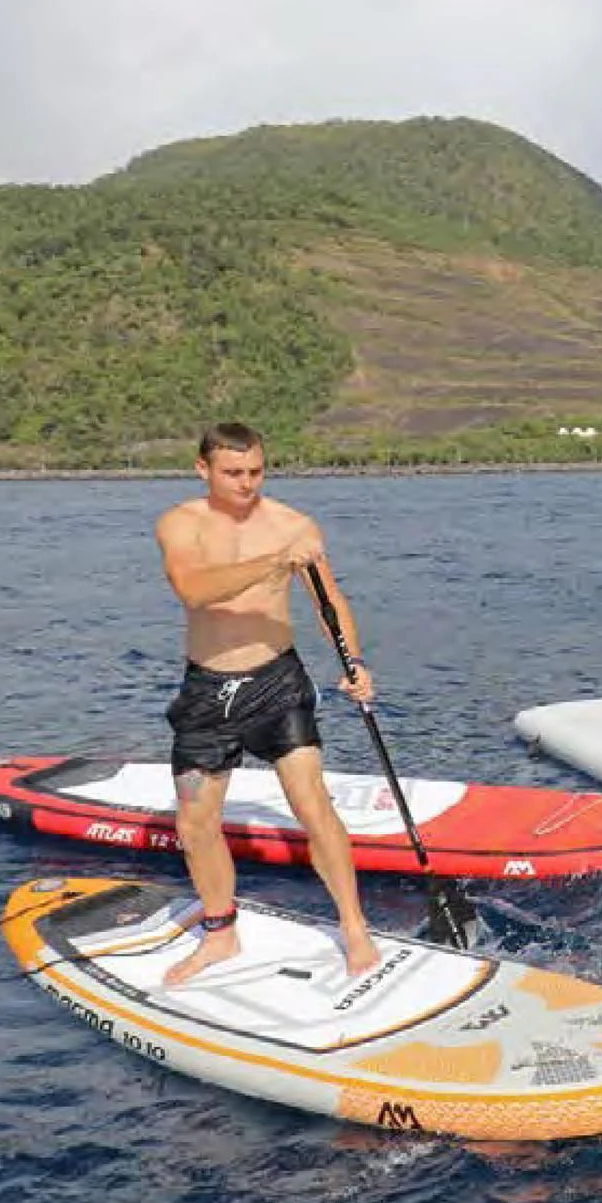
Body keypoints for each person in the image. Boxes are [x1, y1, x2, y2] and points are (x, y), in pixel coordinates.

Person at [152, 421, 381, 985]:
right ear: (202, 469)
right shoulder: (181, 524)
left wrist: (353, 665)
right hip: (209, 691)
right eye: (233, 473)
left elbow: (329, 602)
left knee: (311, 803)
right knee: (196, 821)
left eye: (255, 471)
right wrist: (277, 561)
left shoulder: (293, 525)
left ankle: (354, 929)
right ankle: (220, 933)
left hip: (278, 683)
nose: (246, 483)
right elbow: (193, 589)